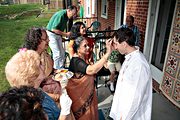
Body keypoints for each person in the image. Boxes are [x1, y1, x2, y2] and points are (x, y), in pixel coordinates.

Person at [5, 50, 73, 120]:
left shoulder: (36, 90)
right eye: (40, 64)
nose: (43, 65)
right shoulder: (33, 108)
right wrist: (64, 113)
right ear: (33, 75)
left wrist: (62, 91)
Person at [109, 28, 152, 120]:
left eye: (116, 44)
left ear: (124, 44)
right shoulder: (129, 57)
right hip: (124, 108)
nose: (115, 47)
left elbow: (136, 97)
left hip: (131, 115)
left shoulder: (139, 64)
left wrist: (123, 117)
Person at [66, 36, 113, 120]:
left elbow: (93, 70)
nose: (88, 47)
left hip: (88, 97)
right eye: (85, 46)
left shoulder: (84, 57)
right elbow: (91, 70)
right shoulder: (76, 61)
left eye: (88, 45)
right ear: (78, 49)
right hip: (79, 99)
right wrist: (108, 53)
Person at [22, 27, 61, 104]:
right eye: (46, 39)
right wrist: (55, 97)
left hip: (53, 87)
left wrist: (56, 71)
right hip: (40, 99)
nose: (49, 40)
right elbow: (30, 90)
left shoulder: (44, 54)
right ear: (37, 41)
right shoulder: (28, 61)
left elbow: (49, 69)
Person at [46, 5, 77, 70]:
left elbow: (59, 28)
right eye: (73, 14)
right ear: (68, 10)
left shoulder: (66, 16)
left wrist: (60, 36)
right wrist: (66, 34)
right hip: (51, 34)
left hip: (57, 35)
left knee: (62, 52)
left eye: (75, 14)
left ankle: (61, 68)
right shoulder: (61, 15)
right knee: (57, 53)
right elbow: (53, 29)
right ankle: (56, 70)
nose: (73, 16)